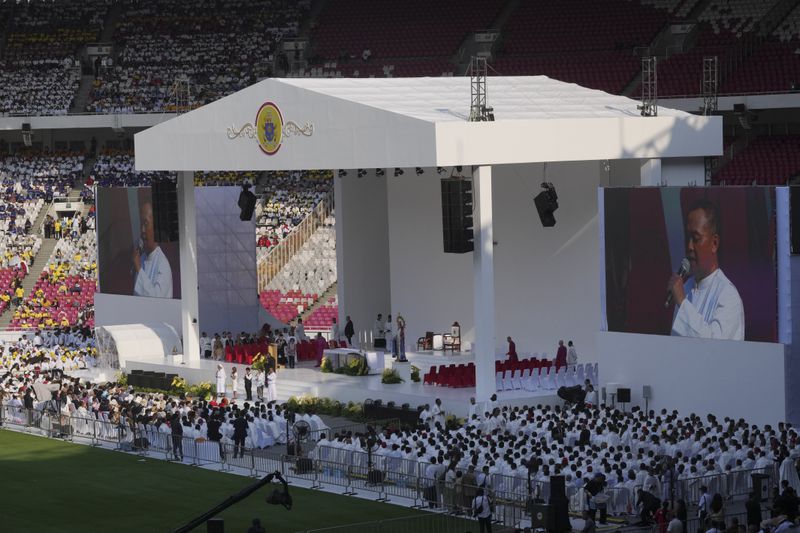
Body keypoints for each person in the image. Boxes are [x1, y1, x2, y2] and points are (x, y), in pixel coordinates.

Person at [669, 200, 744, 340]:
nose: (690, 246)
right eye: (687, 238)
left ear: (714, 243)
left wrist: (682, 302)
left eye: (696, 238)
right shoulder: (684, 288)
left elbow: (714, 349)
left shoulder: (728, 295)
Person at [132, 199, 174, 298]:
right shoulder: (141, 259)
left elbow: (156, 302)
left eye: (146, 224)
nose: (142, 230)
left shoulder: (163, 264)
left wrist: (139, 270)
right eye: (141, 224)